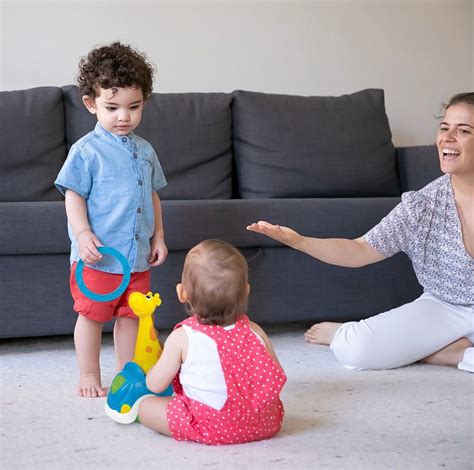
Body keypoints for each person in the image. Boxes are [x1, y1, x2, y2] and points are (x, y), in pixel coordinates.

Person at [247, 92, 474, 373]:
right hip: (445, 307)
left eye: (463, 130)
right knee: (355, 350)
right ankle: (344, 332)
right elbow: (360, 249)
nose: (447, 138)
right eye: (444, 127)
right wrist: (300, 241)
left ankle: (446, 353)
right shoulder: (422, 206)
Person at [55, 42, 168, 397]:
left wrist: (159, 236)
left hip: (136, 257)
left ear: (144, 102)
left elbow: (152, 196)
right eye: (112, 107)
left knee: (132, 316)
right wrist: (82, 233)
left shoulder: (146, 151)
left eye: (134, 107)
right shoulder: (86, 151)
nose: (124, 117)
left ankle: (125, 373)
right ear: (91, 104)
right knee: (92, 315)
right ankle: (89, 374)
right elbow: (73, 194)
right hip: (100, 257)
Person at [138, 239, 287, 445]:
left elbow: (155, 384)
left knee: (146, 406)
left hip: (211, 426)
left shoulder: (183, 336)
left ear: (182, 293)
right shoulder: (255, 330)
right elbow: (274, 374)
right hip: (265, 423)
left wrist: (153, 370)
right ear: (246, 291)